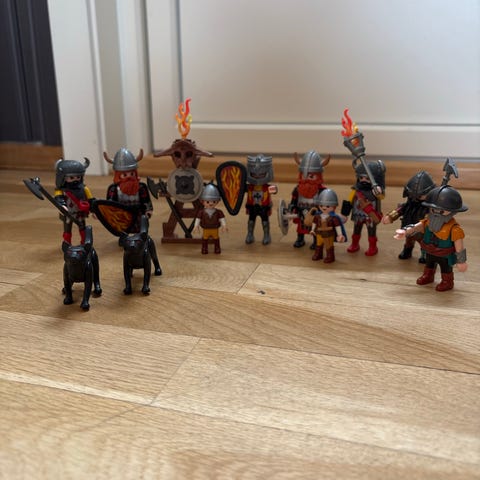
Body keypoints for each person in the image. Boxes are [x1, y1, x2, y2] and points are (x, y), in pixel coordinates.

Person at [394, 185, 468, 291]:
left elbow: (459, 246)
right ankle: (428, 276)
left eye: (442, 211)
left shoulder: (454, 229)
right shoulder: (428, 222)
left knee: (445, 269)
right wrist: (405, 231)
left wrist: (461, 261)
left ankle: (447, 281)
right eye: (433, 209)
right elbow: (416, 227)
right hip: (429, 251)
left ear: (452, 211)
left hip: (444, 255)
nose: (437, 213)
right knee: (429, 265)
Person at [382, 170, 435, 263]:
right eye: (412, 195)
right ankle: (407, 251)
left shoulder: (429, 209)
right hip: (408, 226)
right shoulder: (408, 205)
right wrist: (390, 217)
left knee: (424, 243)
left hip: (421, 230)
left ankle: (424, 255)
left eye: (419, 196)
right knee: (409, 240)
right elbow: (399, 210)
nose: (415, 198)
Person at [104, 148, 153, 233]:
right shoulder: (114, 189)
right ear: (118, 175)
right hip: (122, 218)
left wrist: (148, 210)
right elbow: (110, 203)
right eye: (124, 175)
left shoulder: (141, 187)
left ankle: (141, 237)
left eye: (132, 174)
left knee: (141, 232)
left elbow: (146, 200)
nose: (129, 177)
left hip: (138, 216)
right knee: (123, 233)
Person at [288, 150, 330, 248]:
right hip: (301, 211)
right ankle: (300, 239)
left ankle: (316, 241)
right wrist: (292, 208)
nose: (307, 179)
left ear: (318, 175)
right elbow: (294, 200)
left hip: (315, 214)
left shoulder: (321, 191)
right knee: (301, 226)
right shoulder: (297, 189)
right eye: (304, 175)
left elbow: (326, 204)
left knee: (315, 227)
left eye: (311, 176)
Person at [54, 158, 93, 244]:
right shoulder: (61, 190)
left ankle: (84, 242)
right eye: (71, 177)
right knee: (67, 229)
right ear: (62, 178)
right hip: (68, 213)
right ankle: (67, 242)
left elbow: (91, 200)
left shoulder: (84, 189)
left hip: (80, 213)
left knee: (82, 227)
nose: (75, 180)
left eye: (78, 177)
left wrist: (94, 211)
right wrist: (62, 205)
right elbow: (59, 198)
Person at [304, 188, 346, 263]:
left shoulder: (334, 218)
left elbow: (337, 226)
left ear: (334, 206)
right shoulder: (318, 216)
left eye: (327, 206)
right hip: (319, 234)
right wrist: (312, 230)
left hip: (329, 235)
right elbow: (314, 223)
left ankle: (330, 256)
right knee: (318, 244)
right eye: (321, 205)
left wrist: (340, 235)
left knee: (329, 246)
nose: (324, 207)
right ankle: (318, 254)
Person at [244, 154, 277, 245]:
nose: (257, 176)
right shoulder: (249, 187)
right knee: (251, 222)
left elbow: (274, 190)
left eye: (261, 174)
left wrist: (274, 189)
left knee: (265, 223)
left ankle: (266, 235)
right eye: (254, 175)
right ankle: (250, 234)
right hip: (252, 207)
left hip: (264, 208)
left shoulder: (267, 187)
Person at [194, 183, 227, 254]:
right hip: (206, 228)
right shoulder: (201, 212)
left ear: (217, 201)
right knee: (205, 238)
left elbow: (222, 219)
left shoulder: (218, 212)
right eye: (208, 202)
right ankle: (204, 248)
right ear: (202, 201)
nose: (211, 203)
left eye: (214, 201)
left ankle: (217, 248)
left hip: (215, 228)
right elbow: (198, 219)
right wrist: (196, 226)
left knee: (216, 238)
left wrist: (224, 225)